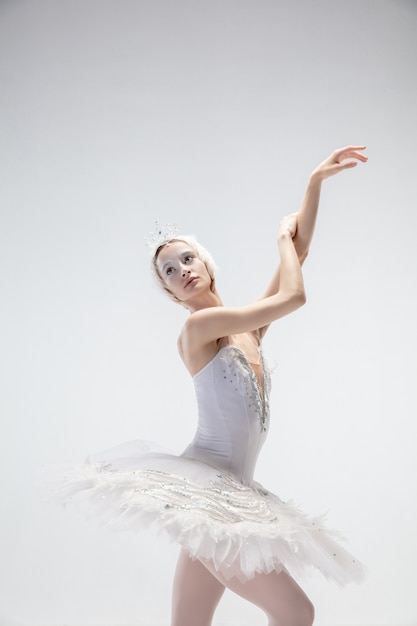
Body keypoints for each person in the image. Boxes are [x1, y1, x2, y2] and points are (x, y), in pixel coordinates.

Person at [61, 146, 368, 626]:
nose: (181, 269)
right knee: (296, 612)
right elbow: (294, 292)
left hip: (229, 493)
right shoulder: (197, 330)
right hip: (208, 494)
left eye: (187, 259)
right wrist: (281, 240)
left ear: (205, 263)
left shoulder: (247, 329)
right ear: (170, 292)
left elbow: (300, 252)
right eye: (169, 271)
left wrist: (314, 183)